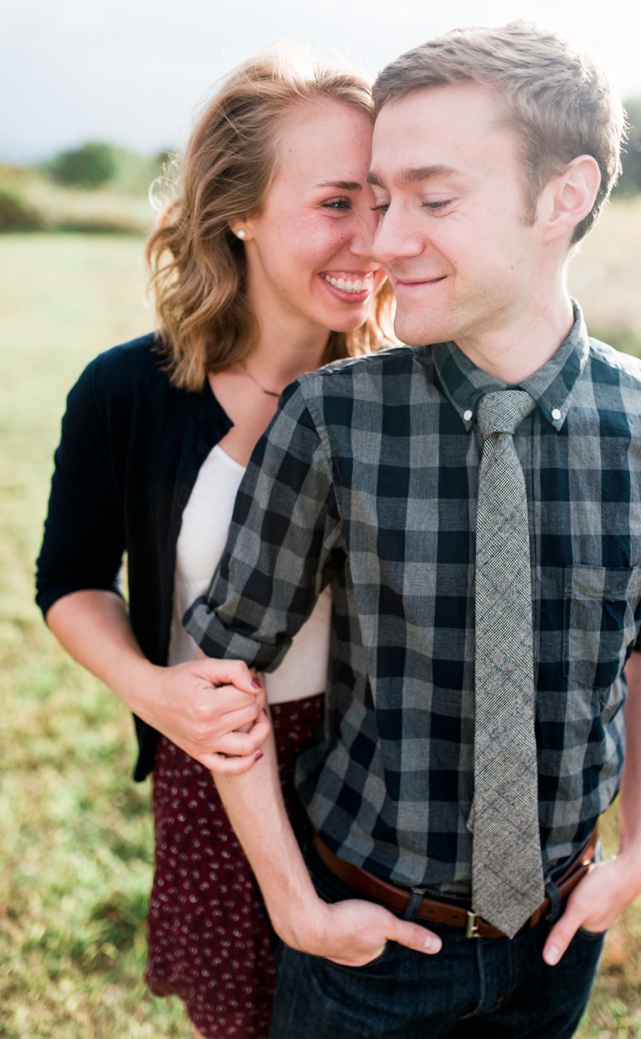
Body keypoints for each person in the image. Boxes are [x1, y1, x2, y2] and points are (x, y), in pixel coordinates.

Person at [183, 22, 641, 1039]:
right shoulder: (332, 419)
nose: (381, 239)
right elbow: (223, 669)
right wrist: (294, 903)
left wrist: (638, 847)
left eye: (433, 197)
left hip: (556, 942)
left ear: (565, 196)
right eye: (378, 198)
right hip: (364, 943)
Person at [34, 51, 390, 1039]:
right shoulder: (127, 392)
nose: (373, 239)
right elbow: (70, 580)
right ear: (239, 211)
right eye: (336, 202)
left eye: (387, 202)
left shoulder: (411, 398)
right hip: (215, 769)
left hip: (380, 776)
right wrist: (151, 689)